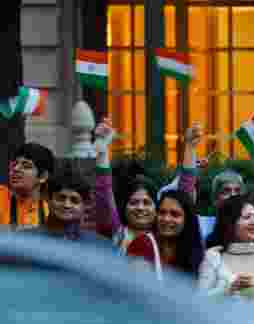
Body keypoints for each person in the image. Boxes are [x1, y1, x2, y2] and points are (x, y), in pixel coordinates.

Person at [93, 119, 198, 254]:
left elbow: (184, 197)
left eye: (147, 202)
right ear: (124, 206)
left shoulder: (165, 236)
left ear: (157, 208)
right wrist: (102, 151)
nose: (140, 208)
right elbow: (104, 193)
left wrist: (190, 147)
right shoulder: (117, 234)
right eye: (134, 202)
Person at [18, 165, 110, 248]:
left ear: (85, 205)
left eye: (74, 200)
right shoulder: (25, 240)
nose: (67, 205)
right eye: (61, 198)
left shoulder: (97, 246)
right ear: (47, 199)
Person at [126, 189, 205, 279]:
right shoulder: (142, 245)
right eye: (162, 212)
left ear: (187, 220)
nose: (166, 219)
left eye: (174, 214)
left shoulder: (194, 251)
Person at [198, 169, 254, 255]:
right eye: (226, 191)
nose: (233, 195)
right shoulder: (201, 226)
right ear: (215, 199)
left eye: (237, 191)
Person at [3, 142, 54, 229]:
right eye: (14, 164)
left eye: (26, 166)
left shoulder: (50, 212)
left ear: (43, 176)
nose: (16, 169)